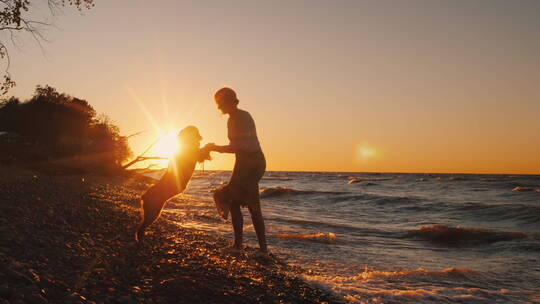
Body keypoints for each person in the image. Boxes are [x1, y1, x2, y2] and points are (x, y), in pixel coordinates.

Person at [205, 87, 268, 254]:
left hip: (253, 162)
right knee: (234, 200)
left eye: (220, 103)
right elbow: (238, 147)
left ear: (230, 101)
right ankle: (239, 246)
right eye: (217, 104)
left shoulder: (242, 117)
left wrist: (216, 148)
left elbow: (241, 145)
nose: (219, 107)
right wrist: (215, 148)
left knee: (250, 203)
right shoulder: (232, 119)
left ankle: (262, 250)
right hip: (243, 162)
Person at [135, 126, 210, 243]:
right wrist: (209, 148)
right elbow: (200, 156)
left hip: (175, 184)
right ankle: (141, 233)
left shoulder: (185, 148)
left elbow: (201, 157)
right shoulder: (187, 149)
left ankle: (141, 231)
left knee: (154, 206)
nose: (196, 139)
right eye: (194, 136)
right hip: (175, 184)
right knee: (154, 208)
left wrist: (207, 149)